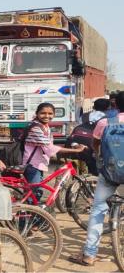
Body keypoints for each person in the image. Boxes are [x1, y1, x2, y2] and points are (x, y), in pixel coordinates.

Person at [69, 91, 124, 266]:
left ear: (115, 105)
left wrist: (100, 157)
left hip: (110, 172)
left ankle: (89, 255)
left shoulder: (105, 122)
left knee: (98, 211)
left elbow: (96, 146)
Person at [23, 102, 86, 202]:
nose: (47, 116)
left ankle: (33, 215)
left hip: (38, 164)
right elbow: (49, 148)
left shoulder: (45, 127)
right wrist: (76, 150)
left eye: (50, 114)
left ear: (54, 115)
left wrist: (73, 145)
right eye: (43, 113)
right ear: (37, 113)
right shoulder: (35, 128)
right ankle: (26, 216)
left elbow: (50, 144)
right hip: (32, 165)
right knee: (33, 195)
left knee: (35, 193)